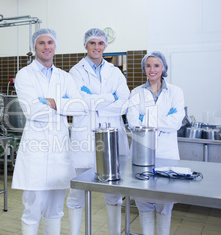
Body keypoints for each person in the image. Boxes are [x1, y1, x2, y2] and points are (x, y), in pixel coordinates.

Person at [11, 28, 87, 235]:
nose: (46, 47)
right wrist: (63, 105)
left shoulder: (64, 76)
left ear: (55, 46)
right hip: (35, 150)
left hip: (60, 151)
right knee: (33, 207)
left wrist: (50, 102)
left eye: (50, 43)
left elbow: (80, 106)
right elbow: (32, 110)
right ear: (34, 47)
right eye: (42, 43)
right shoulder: (24, 75)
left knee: (55, 208)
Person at [67, 28, 130, 235]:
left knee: (113, 194)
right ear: (85, 45)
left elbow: (124, 104)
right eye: (92, 43)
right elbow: (81, 102)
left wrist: (95, 99)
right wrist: (110, 96)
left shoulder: (115, 72)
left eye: (100, 43)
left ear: (106, 46)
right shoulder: (76, 72)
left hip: (111, 138)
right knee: (77, 193)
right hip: (84, 138)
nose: (96, 47)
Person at [127, 51, 184, 235]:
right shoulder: (136, 92)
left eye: (157, 65)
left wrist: (148, 118)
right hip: (141, 155)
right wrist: (163, 118)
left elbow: (176, 123)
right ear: (144, 68)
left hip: (167, 156)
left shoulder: (175, 91)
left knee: (165, 203)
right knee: (143, 201)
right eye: (148, 65)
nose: (152, 70)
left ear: (164, 68)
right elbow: (133, 122)